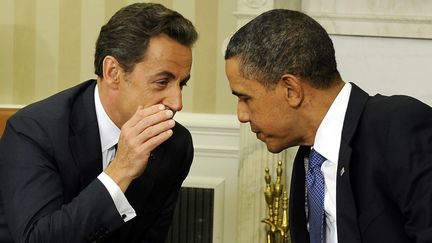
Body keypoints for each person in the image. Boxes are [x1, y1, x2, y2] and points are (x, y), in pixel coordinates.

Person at [225, 9, 432, 243]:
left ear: (291, 90)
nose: (241, 115)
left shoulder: (399, 125)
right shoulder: (308, 161)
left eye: (245, 98)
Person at [0, 3, 197, 243]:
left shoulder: (175, 143)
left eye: (182, 83)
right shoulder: (33, 132)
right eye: (161, 82)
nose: (177, 103)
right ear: (113, 72)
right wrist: (121, 170)